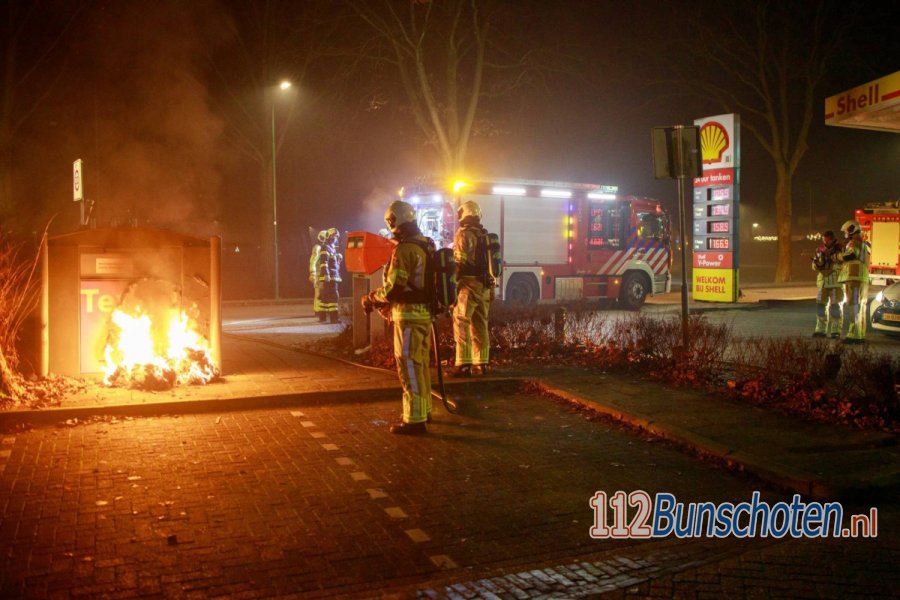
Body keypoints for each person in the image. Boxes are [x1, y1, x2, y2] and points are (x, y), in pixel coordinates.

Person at [362, 201, 433, 434]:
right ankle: (424, 410)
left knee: (409, 365)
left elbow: (394, 288)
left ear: (395, 221)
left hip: (408, 317)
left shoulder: (405, 250)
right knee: (420, 365)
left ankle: (414, 420)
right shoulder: (425, 244)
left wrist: (372, 297)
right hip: (424, 316)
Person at [451, 200, 495, 377]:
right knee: (480, 324)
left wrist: (452, 285)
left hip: (468, 285)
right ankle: (481, 363)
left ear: (463, 214)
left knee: (462, 322)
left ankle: (463, 364)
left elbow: (459, 263)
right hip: (485, 286)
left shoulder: (463, 235)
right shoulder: (485, 236)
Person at [835, 219, 870, 344]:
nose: (845, 234)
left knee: (853, 306)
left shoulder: (853, 242)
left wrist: (837, 256)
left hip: (854, 279)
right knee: (860, 308)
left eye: (846, 231)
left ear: (851, 230)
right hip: (862, 279)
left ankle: (853, 335)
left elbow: (850, 255)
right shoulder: (864, 243)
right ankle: (859, 335)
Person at [811, 230, 843, 339]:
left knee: (835, 308)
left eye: (826, 239)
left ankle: (835, 331)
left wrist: (833, 265)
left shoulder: (841, 249)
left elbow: (845, 264)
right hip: (823, 284)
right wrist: (817, 264)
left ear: (832, 239)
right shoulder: (819, 249)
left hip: (835, 283)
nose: (824, 241)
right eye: (823, 239)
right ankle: (820, 330)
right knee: (820, 307)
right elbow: (814, 266)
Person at [315, 228, 343, 323]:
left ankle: (322, 318)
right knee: (333, 297)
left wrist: (338, 258)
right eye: (334, 237)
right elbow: (324, 262)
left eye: (336, 237)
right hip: (330, 277)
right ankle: (334, 318)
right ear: (329, 237)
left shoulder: (332, 248)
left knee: (324, 297)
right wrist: (326, 274)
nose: (336, 239)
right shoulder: (325, 247)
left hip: (331, 276)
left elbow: (333, 264)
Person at [310, 230, 327, 321]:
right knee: (318, 293)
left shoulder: (324, 247)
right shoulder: (317, 248)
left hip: (323, 273)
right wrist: (312, 272)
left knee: (323, 293)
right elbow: (313, 261)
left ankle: (321, 310)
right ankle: (317, 310)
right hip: (318, 274)